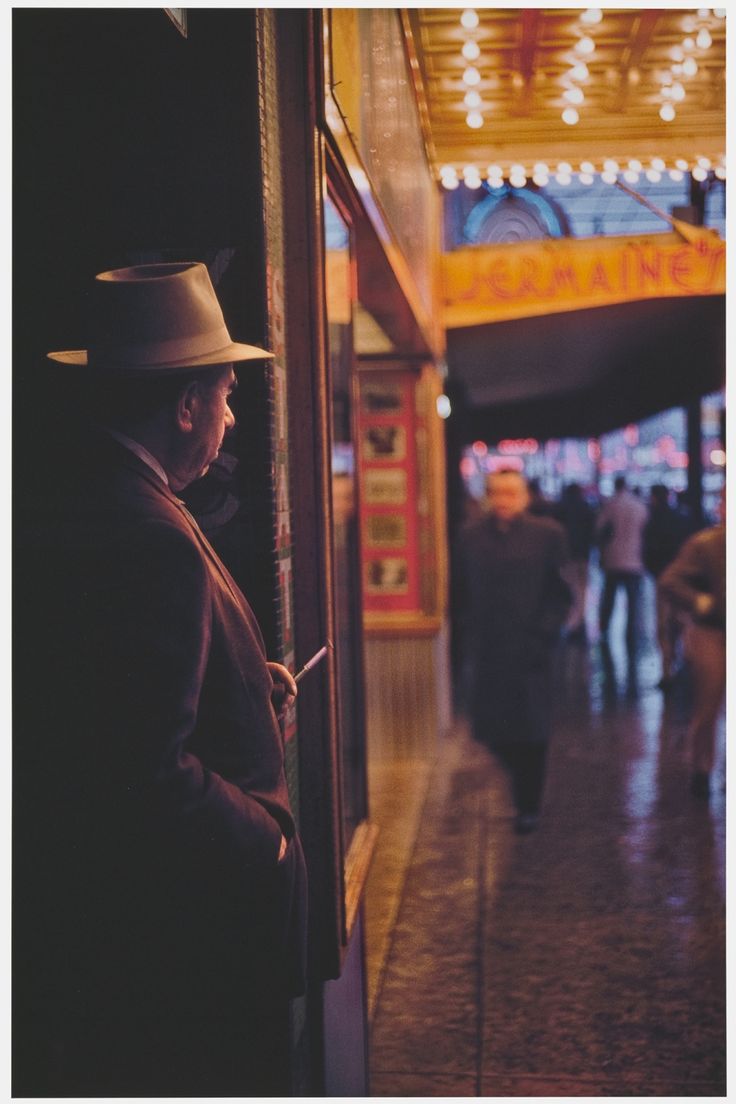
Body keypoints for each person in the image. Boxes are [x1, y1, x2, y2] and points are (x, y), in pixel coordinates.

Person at [14, 262, 308, 1096]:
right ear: (186, 407)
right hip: (186, 950)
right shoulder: (146, 529)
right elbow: (140, 770)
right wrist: (269, 836)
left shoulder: (108, 495)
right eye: (223, 393)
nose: (230, 411)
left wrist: (249, 682)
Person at [456, 469, 571, 834]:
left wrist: (544, 634)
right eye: (497, 492)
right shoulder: (471, 536)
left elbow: (561, 593)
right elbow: (459, 590)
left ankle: (528, 806)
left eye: (511, 493)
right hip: (489, 652)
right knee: (490, 731)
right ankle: (518, 781)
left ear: (524, 497)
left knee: (532, 732)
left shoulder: (548, 535)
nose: (503, 500)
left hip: (530, 650)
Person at [659, 489, 726, 799]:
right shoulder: (706, 544)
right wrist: (701, 602)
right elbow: (671, 580)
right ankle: (702, 768)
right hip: (712, 632)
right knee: (708, 703)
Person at [643, 483, 690, 688]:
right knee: (679, 623)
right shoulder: (680, 519)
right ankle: (681, 664)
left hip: (663, 578)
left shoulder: (653, 519)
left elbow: (647, 549)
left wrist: (655, 571)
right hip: (681, 580)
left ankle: (667, 669)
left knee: (663, 626)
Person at [596, 475, 648, 653]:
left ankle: (603, 628)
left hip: (613, 558)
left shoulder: (610, 505)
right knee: (633, 601)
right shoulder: (639, 505)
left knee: (609, 597)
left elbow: (601, 530)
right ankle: (632, 632)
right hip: (634, 559)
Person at [555, 482, 596, 642]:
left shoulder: (560, 509)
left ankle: (572, 620)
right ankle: (580, 620)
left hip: (567, 554)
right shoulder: (586, 508)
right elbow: (593, 531)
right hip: (583, 554)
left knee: (571, 588)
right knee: (583, 587)